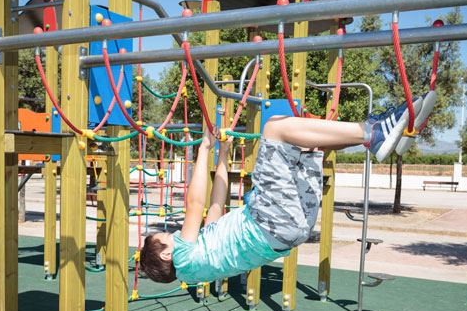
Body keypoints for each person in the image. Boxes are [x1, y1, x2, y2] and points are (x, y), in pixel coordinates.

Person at [139, 100, 418, 284]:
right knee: (275, 127)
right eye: (166, 236)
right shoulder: (184, 258)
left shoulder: (201, 262)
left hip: (292, 232)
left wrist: (222, 156)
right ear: (166, 255)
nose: (172, 232)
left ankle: (381, 135)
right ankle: (373, 132)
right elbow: (195, 202)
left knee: (305, 148)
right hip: (268, 223)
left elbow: (215, 204)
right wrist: (203, 150)